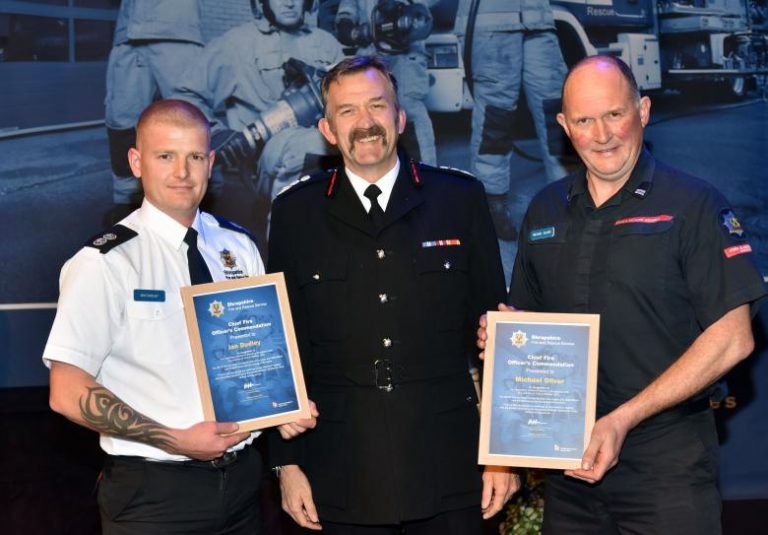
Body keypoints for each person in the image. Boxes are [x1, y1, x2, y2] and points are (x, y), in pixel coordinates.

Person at [477, 55, 767, 533]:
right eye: (585, 121)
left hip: (668, 468)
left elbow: (734, 338)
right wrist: (504, 338)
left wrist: (623, 419)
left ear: (643, 111)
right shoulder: (546, 209)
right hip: (569, 471)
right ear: (564, 127)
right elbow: (524, 326)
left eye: (614, 114)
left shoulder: (693, 204)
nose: (602, 134)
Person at [267, 55, 518, 534]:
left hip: (449, 463)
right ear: (327, 129)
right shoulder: (295, 213)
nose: (365, 123)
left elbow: (498, 334)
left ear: (400, 118)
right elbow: (284, 347)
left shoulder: (458, 199)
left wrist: (501, 456)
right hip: (341, 469)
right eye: (347, 111)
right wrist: (287, 463)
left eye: (377, 106)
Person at [43, 100, 316, 534]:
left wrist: (283, 409)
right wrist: (177, 440)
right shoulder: (105, 262)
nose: (182, 172)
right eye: (165, 156)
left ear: (211, 163)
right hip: (154, 495)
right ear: (137, 162)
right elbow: (66, 391)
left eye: (195, 157)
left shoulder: (238, 247)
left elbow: (258, 358)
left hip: (243, 484)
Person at [173, 0, 344, 201]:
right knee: (313, 145)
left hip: (327, 137)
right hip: (264, 154)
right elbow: (185, 97)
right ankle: (288, 219)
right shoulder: (238, 43)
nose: (289, 3)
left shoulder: (325, 44)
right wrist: (216, 133)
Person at [457, 0, 568, 240]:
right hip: (492, 24)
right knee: (496, 118)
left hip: (539, 22)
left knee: (558, 113)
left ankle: (570, 193)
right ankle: (492, 201)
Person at [105, 0, 204, 211]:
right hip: (127, 36)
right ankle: (127, 203)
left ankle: (201, 205)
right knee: (121, 123)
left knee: (191, 123)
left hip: (176, 32)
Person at [335, 0, 437, 165]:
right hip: (372, 63)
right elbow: (344, 27)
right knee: (369, 127)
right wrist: (356, 32)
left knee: (412, 120)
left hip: (407, 68)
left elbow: (425, 15)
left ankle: (423, 177)